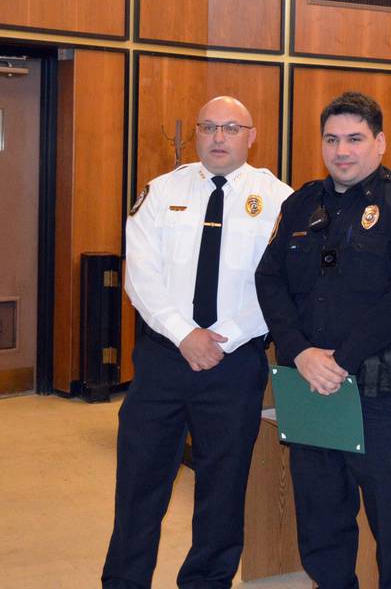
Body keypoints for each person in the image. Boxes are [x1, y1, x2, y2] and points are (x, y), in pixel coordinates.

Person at [255, 91, 391, 589]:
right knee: (320, 521)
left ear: (379, 143)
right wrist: (299, 351)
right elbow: (268, 279)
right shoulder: (300, 204)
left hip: (381, 396)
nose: (342, 151)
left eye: (355, 139)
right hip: (310, 386)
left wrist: (339, 359)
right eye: (332, 139)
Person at [102, 96, 292, 588]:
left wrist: (220, 339)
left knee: (223, 492)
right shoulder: (161, 192)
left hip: (234, 366)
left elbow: (277, 283)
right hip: (164, 360)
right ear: (197, 134)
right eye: (209, 127)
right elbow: (140, 276)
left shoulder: (279, 199)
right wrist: (186, 335)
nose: (218, 137)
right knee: (139, 488)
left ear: (252, 136)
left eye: (231, 127)